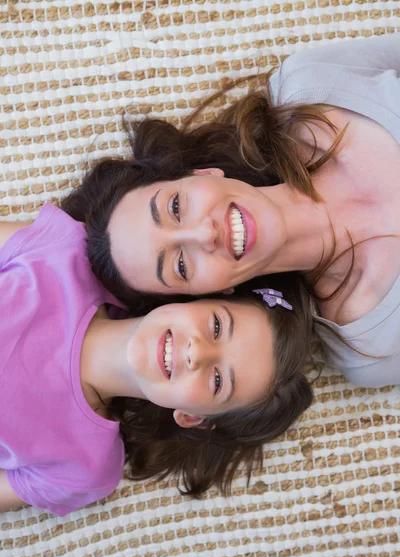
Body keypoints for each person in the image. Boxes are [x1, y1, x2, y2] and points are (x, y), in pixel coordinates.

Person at [62, 33, 400, 387]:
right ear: (209, 294)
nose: (205, 233)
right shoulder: (368, 350)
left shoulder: (311, 85)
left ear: (201, 174)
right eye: (180, 265)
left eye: (176, 207)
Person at [0, 204, 313, 516]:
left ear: (193, 416)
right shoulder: (64, 250)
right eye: (216, 326)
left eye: (218, 380)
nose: (197, 352)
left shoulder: (85, 470)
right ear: (201, 295)